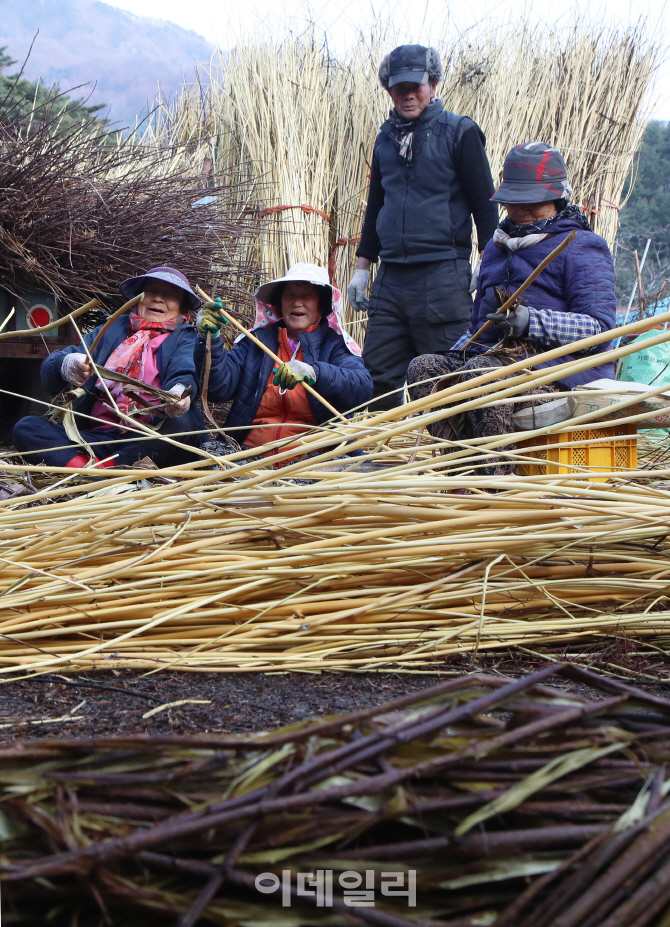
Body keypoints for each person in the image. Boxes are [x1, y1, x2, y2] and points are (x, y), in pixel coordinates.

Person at [407, 142, 617, 476]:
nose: (522, 210)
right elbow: (477, 326)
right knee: (425, 368)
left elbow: (601, 330)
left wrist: (532, 321)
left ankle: (499, 486)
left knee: (482, 373)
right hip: (495, 360)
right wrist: (458, 354)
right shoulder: (496, 246)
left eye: (534, 202)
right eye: (516, 201)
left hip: (557, 373)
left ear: (557, 198)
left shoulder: (582, 246)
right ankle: (458, 474)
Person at [347, 44, 499, 409]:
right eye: (400, 88)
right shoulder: (386, 138)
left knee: (447, 375)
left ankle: (451, 462)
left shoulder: (460, 133)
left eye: (417, 85)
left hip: (443, 276)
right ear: (389, 90)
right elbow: (376, 207)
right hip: (391, 279)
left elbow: (486, 204)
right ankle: (382, 458)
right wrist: (361, 269)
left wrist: (488, 262)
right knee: (378, 374)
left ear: (432, 84)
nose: (409, 95)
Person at [13, 266, 206, 468]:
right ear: (138, 298)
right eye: (150, 292)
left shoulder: (186, 337)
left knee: (182, 424)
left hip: (149, 437)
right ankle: (91, 470)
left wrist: (177, 393)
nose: (157, 299)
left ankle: (103, 469)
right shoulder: (112, 329)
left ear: (182, 307)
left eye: (169, 294)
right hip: (100, 438)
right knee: (27, 428)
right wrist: (66, 365)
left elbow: (185, 370)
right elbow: (55, 364)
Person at [195, 263, 373, 454]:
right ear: (280, 303)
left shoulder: (335, 344)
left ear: (321, 305)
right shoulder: (256, 342)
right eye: (290, 295)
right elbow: (218, 389)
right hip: (251, 456)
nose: (297, 302)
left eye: (306, 296)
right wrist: (210, 341)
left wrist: (314, 372)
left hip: (313, 461)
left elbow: (362, 388)